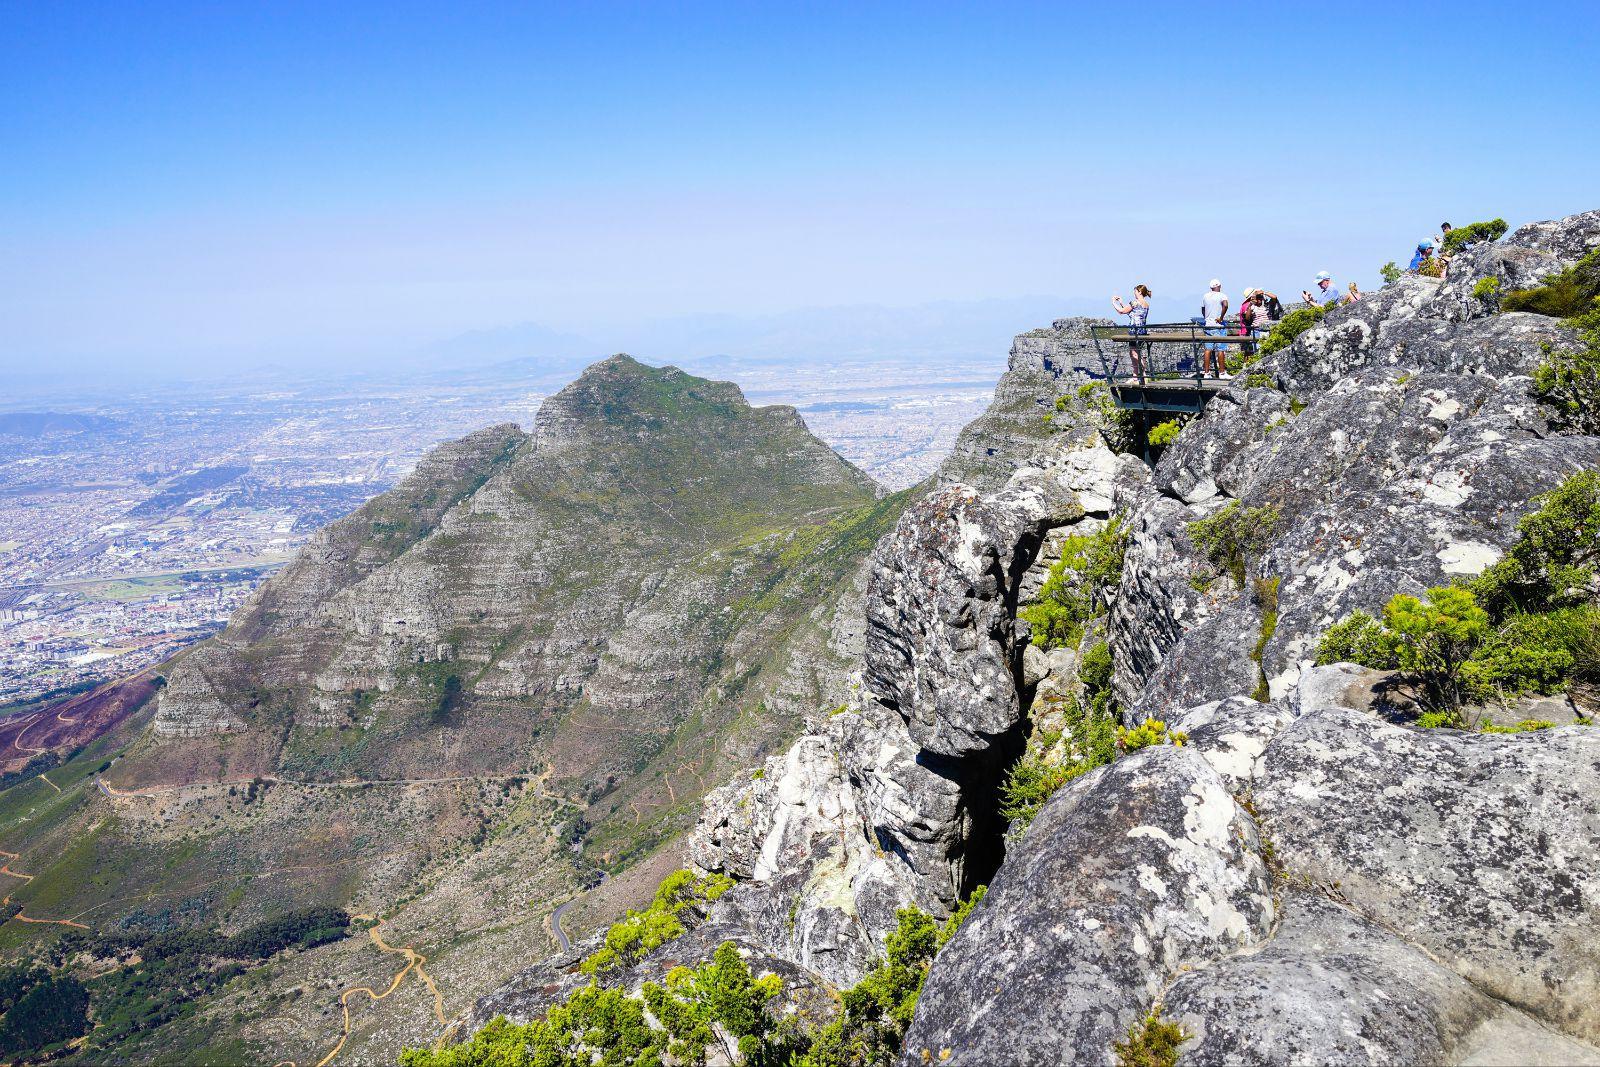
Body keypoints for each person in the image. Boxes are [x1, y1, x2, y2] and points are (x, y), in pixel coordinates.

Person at [1111, 285, 1152, 378]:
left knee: (1134, 353)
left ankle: (1140, 375)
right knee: (1136, 353)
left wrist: (1113, 303)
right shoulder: (1146, 304)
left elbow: (1121, 311)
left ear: (1139, 292)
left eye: (1135, 291)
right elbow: (1132, 314)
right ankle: (1137, 375)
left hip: (1134, 331)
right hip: (1142, 330)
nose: (1134, 293)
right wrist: (1121, 303)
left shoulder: (1134, 302)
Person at [1201, 279, 1229, 377]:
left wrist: (1207, 318)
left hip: (1208, 325)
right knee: (1220, 349)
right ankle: (1222, 372)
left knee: (1208, 349)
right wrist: (1221, 317)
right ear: (1219, 286)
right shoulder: (1222, 295)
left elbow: (1203, 309)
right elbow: (1225, 305)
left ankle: (1206, 372)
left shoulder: (1205, 296)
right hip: (1218, 326)